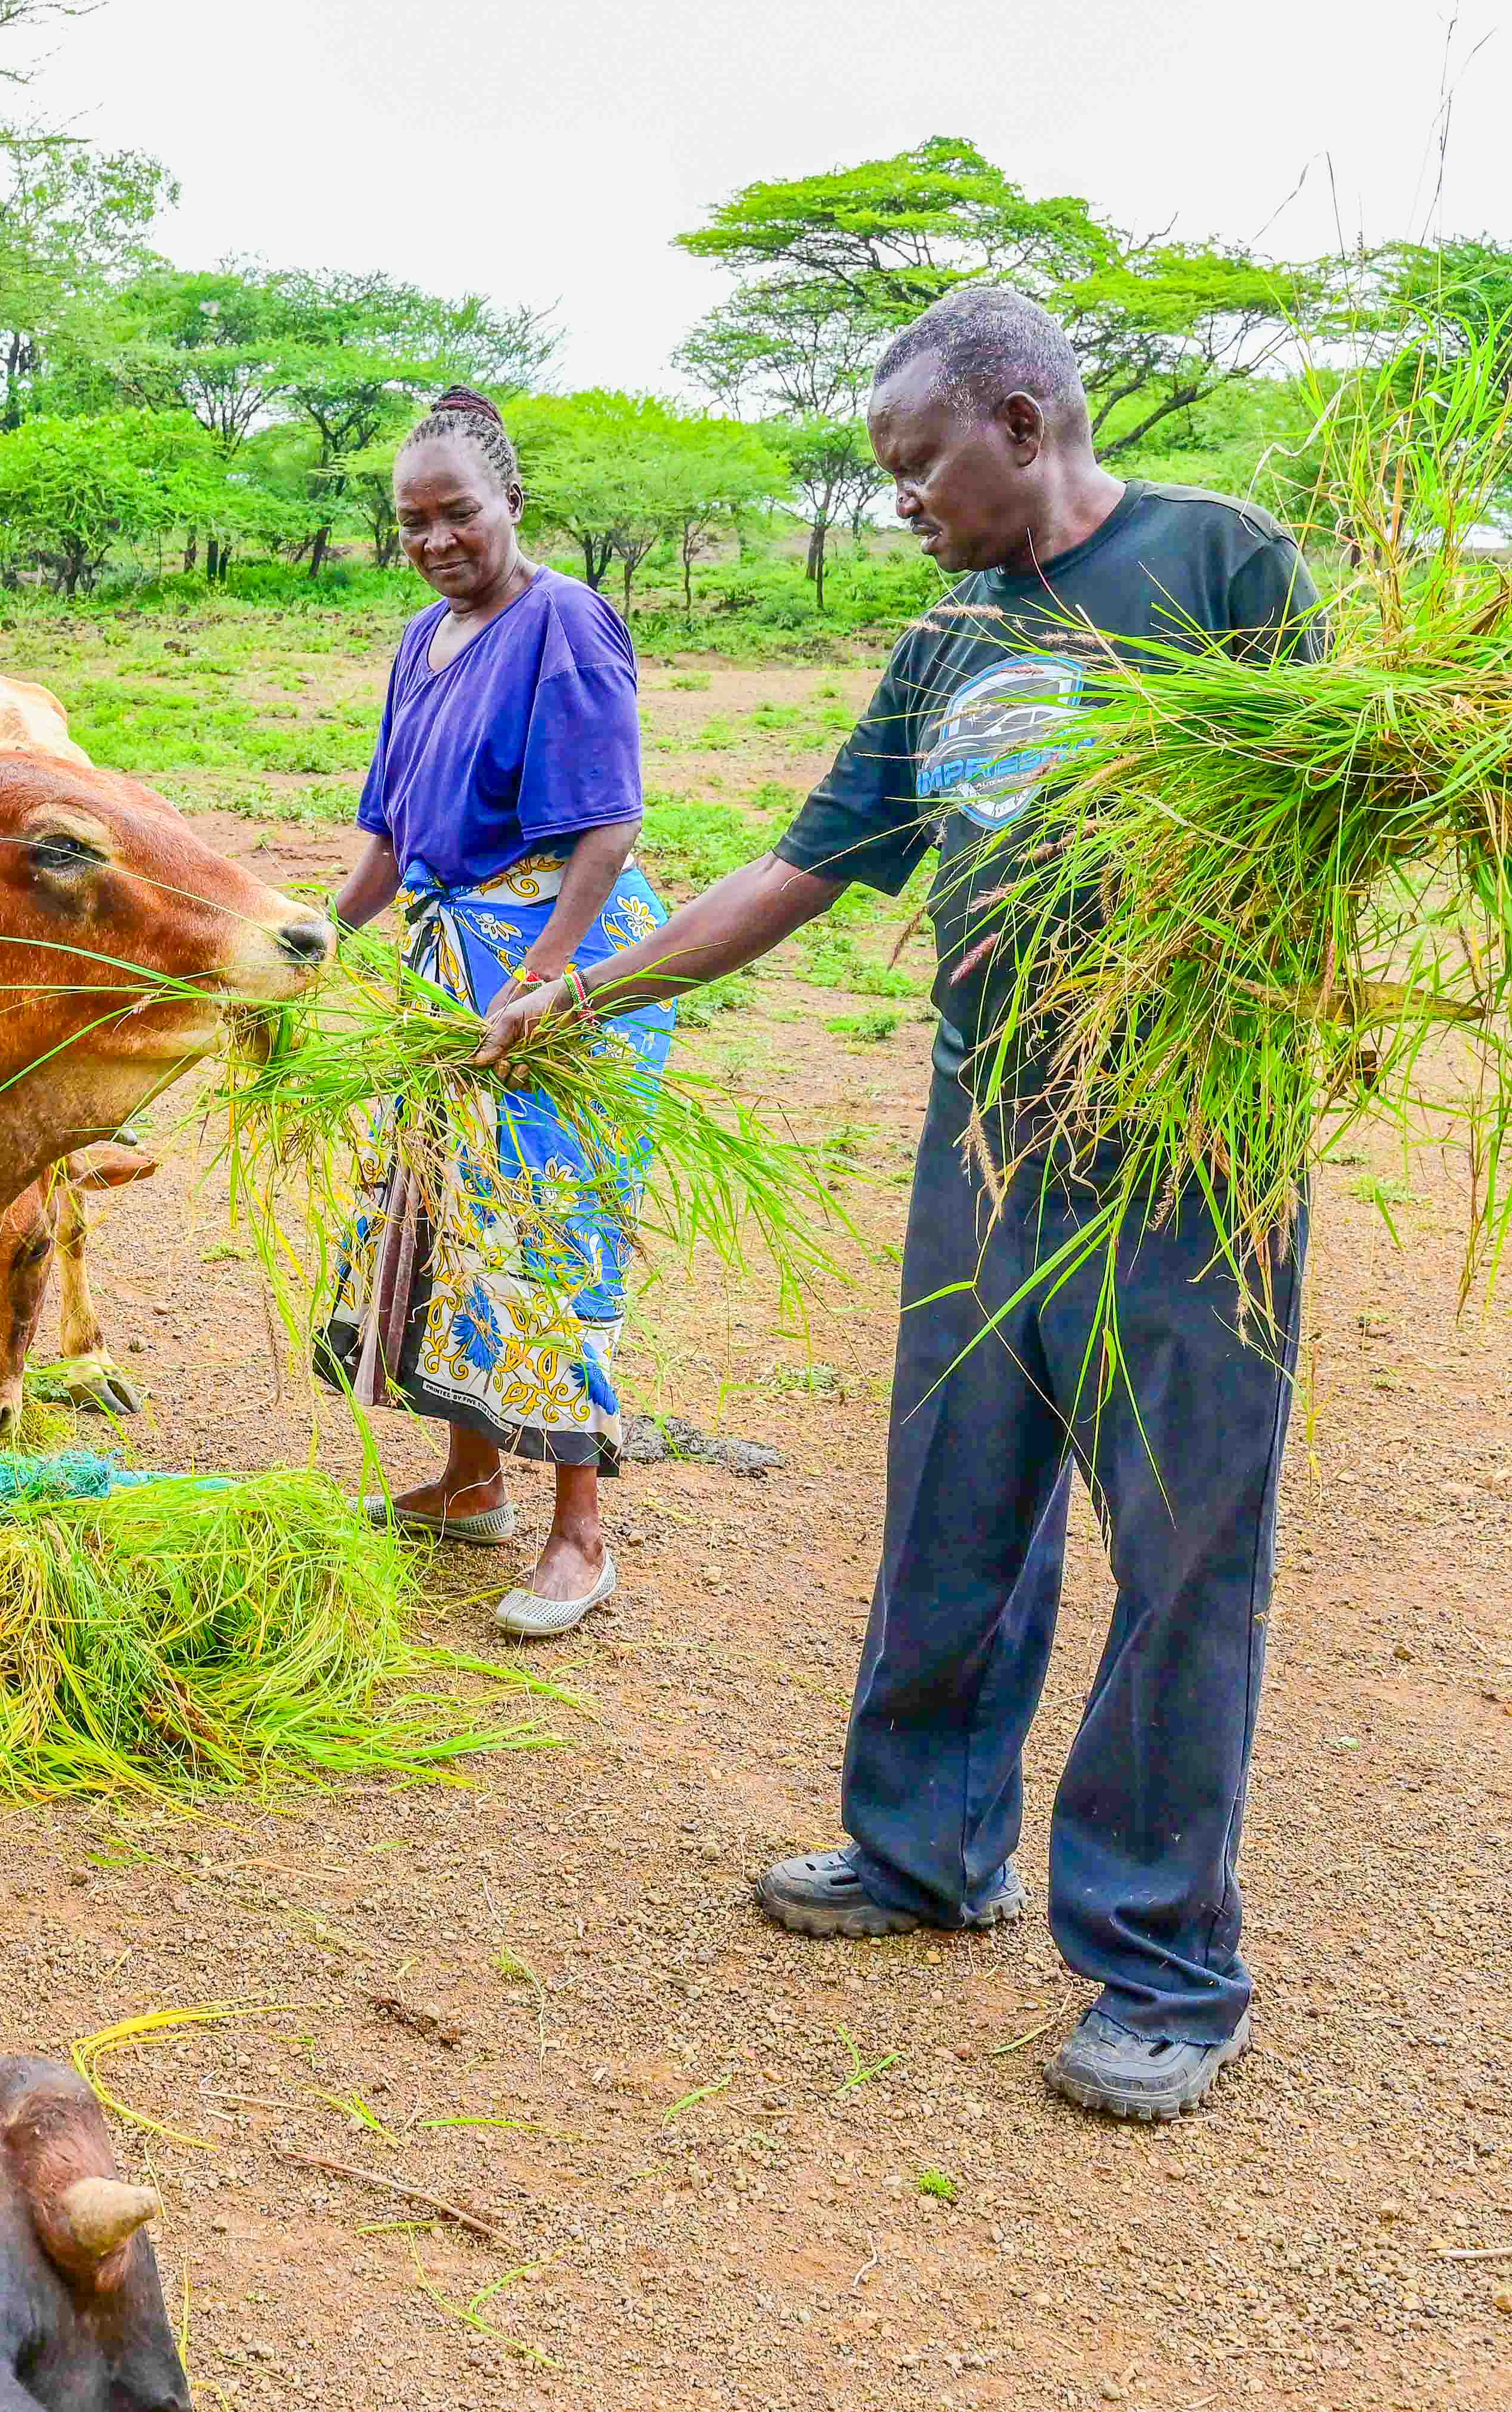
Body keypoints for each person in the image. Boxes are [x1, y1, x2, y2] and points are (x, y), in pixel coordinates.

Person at [478, 288, 1324, 2121]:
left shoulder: (1226, 562)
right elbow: (800, 866)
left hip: (1190, 1144)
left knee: (1184, 1549)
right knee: (958, 1503)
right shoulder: (947, 641)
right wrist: (584, 989)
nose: (903, 503)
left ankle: (1166, 1960)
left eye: (916, 464)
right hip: (988, 1129)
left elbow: (1334, 828)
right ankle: (928, 1849)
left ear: (1021, 423)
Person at [321, 386, 664, 1641]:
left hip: (554, 965)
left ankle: (581, 1533)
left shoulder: (563, 620)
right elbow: (390, 833)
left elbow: (607, 826)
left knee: (543, 1226)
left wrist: (543, 984)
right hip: (449, 963)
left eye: (456, 512)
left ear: (511, 503)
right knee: (444, 1213)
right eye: (412, 521)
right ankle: (472, 1483)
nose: (435, 539)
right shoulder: (422, 639)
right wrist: (319, 935)